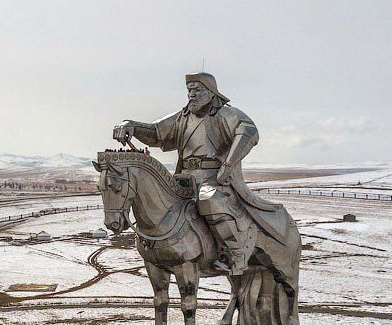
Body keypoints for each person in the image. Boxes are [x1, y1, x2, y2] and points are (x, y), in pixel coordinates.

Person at [113, 72, 281, 275]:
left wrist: (229, 164)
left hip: (214, 178)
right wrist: (130, 125)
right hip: (184, 178)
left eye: (197, 90)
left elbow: (248, 131)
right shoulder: (183, 117)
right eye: (189, 90)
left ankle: (234, 254)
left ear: (211, 92)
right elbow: (156, 132)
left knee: (210, 199)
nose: (191, 94)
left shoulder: (225, 114)